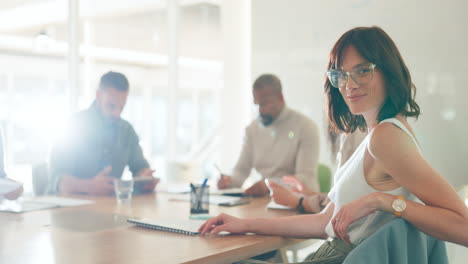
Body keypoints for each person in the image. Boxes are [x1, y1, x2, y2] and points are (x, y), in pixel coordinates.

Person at [199, 26, 468, 263]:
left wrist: (382, 201)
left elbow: (463, 227)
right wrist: (242, 224)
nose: (349, 85)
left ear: (387, 71)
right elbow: (324, 221)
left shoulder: (386, 137)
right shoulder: (378, 133)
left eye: (363, 71)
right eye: (341, 74)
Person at [49, 71, 158, 196]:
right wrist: (87, 186)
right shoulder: (73, 125)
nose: (117, 113)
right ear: (98, 95)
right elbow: (56, 179)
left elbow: (139, 167)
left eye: (121, 107)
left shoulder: (126, 130)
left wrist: (144, 177)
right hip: (70, 208)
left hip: (109, 206)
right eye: (111, 106)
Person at [217, 74, 320, 196]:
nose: (260, 110)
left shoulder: (306, 127)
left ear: (280, 98)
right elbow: (241, 171)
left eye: (265, 103)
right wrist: (229, 181)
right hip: (265, 201)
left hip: (299, 201)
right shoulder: (252, 130)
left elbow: (306, 179)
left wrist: (268, 185)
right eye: (257, 104)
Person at [269, 130, 367, 213]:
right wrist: (310, 193)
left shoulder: (355, 135)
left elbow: (341, 208)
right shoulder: (352, 133)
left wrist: (297, 201)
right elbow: (341, 197)